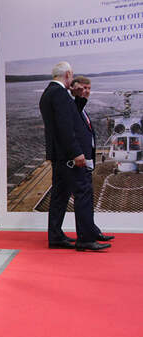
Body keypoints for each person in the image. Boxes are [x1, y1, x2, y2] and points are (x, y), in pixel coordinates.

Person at [39, 62, 110, 251]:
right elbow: (65, 127)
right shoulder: (59, 94)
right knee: (83, 192)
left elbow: (69, 117)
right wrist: (76, 152)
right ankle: (86, 239)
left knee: (59, 196)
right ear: (68, 74)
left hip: (59, 155)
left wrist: (77, 97)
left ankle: (55, 236)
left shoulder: (49, 93)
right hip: (69, 157)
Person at [70, 76, 115, 242]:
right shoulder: (74, 107)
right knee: (83, 199)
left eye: (88, 88)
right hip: (79, 160)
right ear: (75, 89)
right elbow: (71, 133)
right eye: (83, 88)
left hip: (87, 160)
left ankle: (92, 231)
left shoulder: (82, 109)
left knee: (88, 198)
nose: (86, 91)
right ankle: (85, 238)